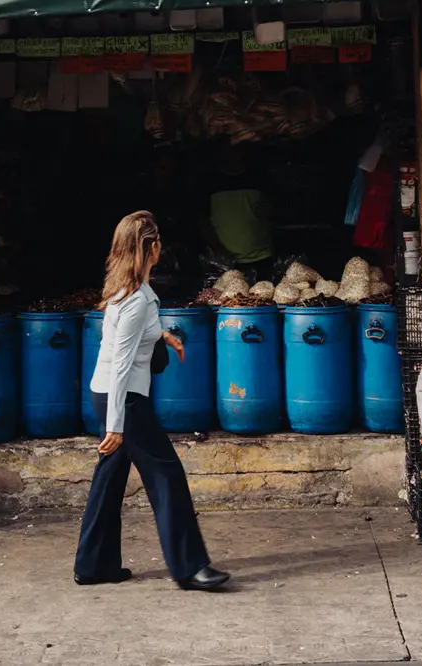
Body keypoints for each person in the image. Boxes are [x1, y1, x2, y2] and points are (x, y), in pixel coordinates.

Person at [74, 211, 230, 591]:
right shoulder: (136, 300)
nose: (161, 247)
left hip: (107, 393)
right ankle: (190, 567)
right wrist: (116, 426)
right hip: (122, 399)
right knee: (167, 475)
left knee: (109, 479)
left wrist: (163, 336)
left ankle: (94, 564)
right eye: (158, 241)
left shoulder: (125, 290)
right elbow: (123, 363)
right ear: (151, 248)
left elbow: (127, 338)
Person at [199, 145, 274, 280]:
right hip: (223, 260)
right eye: (229, 147)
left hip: (260, 256)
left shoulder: (258, 178)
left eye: (237, 147)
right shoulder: (209, 182)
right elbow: (201, 219)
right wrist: (217, 248)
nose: (233, 152)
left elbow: (268, 211)